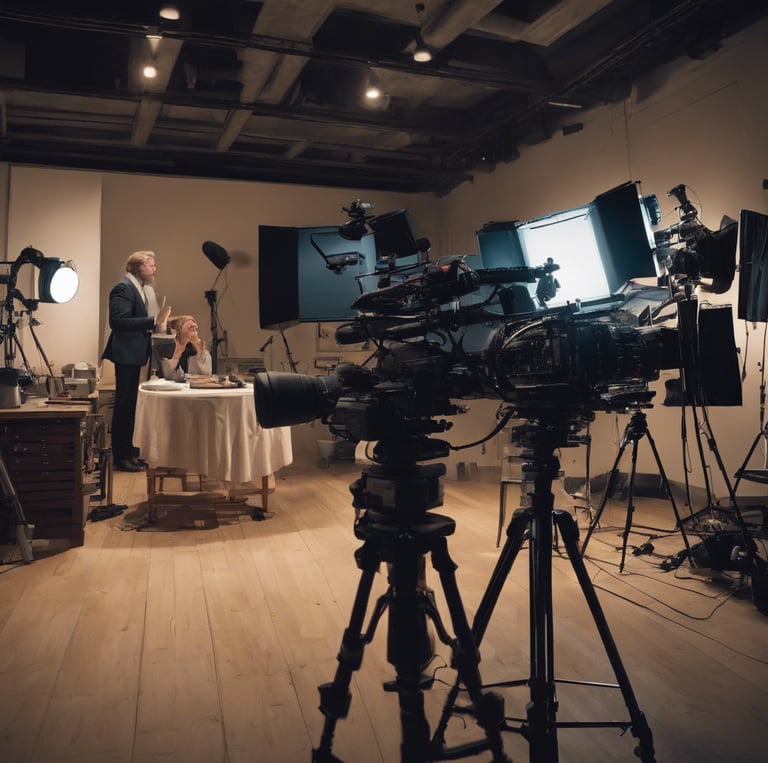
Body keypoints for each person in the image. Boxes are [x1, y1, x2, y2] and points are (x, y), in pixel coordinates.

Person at [102, 251, 171, 472]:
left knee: (131, 405)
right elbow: (118, 321)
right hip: (126, 354)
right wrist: (152, 320)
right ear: (138, 267)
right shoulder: (123, 288)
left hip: (134, 353)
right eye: (151, 265)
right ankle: (121, 457)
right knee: (124, 406)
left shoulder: (137, 288)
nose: (154, 269)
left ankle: (129, 451)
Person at [157, 315, 212, 381]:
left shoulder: (198, 350)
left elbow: (207, 375)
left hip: (192, 389)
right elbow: (167, 375)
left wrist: (200, 352)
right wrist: (178, 351)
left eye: (196, 327)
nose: (194, 325)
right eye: (191, 326)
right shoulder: (167, 348)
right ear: (178, 328)